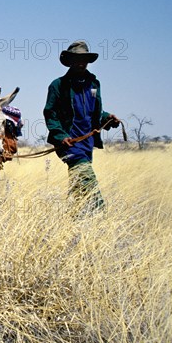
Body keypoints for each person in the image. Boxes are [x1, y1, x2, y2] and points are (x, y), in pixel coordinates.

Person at [43, 40, 120, 215]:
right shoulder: (58, 85)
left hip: (87, 142)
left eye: (84, 59)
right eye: (76, 59)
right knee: (87, 178)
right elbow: (50, 113)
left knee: (79, 184)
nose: (80, 63)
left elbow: (95, 112)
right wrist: (60, 135)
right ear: (69, 61)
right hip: (69, 142)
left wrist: (107, 118)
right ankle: (102, 217)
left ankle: (76, 219)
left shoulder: (93, 84)